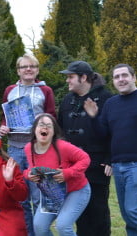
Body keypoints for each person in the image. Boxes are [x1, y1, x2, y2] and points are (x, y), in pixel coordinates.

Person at [84, 63, 137, 236]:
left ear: (134, 77)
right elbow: (102, 134)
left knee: (134, 210)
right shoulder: (111, 103)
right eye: (117, 77)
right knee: (128, 215)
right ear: (113, 81)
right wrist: (93, 117)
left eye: (124, 75)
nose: (121, 79)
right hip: (118, 166)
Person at [0, 53, 56, 236]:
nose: (28, 69)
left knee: (39, 196)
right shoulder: (10, 90)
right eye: (24, 67)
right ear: (18, 71)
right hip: (15, 148)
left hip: (37, 150)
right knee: (21, 199)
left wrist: (43, 124)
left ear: (37, 69)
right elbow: (4, 117)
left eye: (32, 66)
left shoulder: (45, 90)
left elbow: (52, 117)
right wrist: (2, 127)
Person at [57, 60, 113, 236]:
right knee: (79, 211)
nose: (67, 81)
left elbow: (114, 131)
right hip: (73, 167)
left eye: (71, 77)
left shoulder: (106, 98)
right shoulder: (67, 100)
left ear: (83, 78)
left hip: (98, 166)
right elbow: (60, 132)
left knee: (98, 211)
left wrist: (109, 158)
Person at [24, 113, 91, 236]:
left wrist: (68, 173)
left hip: (76, 191)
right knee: (39, 226)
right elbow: (30, 168)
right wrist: (29, 174)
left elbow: (85, 158)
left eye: (49, 126)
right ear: (34, 129)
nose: (45, 128)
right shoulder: (29, 148)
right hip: (52, 194)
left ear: (54, 131)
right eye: (41, 125)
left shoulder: (63, 147)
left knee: (63, 226)